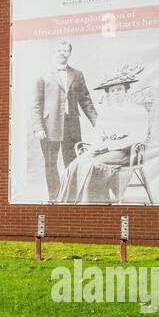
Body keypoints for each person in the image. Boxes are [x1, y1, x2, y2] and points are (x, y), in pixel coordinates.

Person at [57, 64, 149, 204]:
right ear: (108, 93)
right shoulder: (107, 112)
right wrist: (95, 148)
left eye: (120, 89)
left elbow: (138, 137)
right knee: (76, 163)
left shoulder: (137, 110)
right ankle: (71, 202)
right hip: (107, 150)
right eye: (113, 90)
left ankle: (94, 202)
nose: (116, 93)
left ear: (126, 90)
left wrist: (108, 147)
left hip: (129, 152)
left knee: (93, 164)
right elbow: (99, 135)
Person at [30, 40, 99, 201]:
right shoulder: (42, 75)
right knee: (50, 164)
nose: (62, 53)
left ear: (69, 53)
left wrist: (98, 123)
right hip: (49, 127)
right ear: (53, 52)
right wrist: (38, 127)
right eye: (59, 50)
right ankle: (54, 197)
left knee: (73, 162)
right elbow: (36, 104)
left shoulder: (77, 74)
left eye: (65, 51)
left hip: (71, 126)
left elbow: (86, 100)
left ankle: (71, 196)